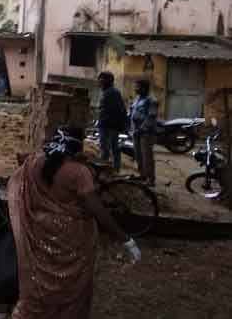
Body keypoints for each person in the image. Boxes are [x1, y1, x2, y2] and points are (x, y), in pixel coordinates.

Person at [8, 127, 141, 319]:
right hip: (71, 240)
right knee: (71, 289)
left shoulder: (35, 162)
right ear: (78, 146)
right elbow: (97, 210)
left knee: (38, 287)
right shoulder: (78, 173)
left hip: (39, 233)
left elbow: (17, 183)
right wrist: (125, 239)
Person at [130, 79, 159, 186]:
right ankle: (142, 175)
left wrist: (141, 129)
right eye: (135, 86)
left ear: (145, 88)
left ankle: (151, 179)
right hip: (136, 132)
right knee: (138, 155)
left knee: (147, 156)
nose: (135, 89)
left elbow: (151, 117)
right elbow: (132, 113)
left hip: (146, 133)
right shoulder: (137, 99)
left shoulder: (151, 100)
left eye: (138, 87)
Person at [97, 71, 127, 172]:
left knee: (106, 149)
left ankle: (105, 170)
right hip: (109, 126)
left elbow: (114, 110)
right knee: (113, 148)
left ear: (108, 80)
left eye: (102, 79)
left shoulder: (111, 93)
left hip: (108, 126)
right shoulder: (109, 92)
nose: (99, 81)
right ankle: (115, 169)